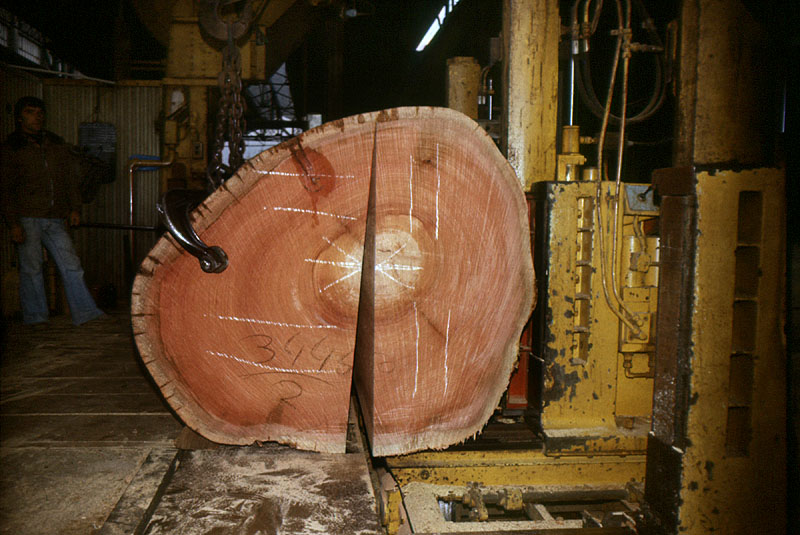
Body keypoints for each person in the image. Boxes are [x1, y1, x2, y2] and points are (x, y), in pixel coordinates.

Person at [0, 96, 104, 326]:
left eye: (39, 112)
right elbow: (5, 189)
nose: (36, 117)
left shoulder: (55, 144)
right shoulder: (12, 148)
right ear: (19, 118)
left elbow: (68, 179)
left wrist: (74, 208)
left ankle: (86, 313)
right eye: (30, 112)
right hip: (27, 217)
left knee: (71, 265)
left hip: (54, 217)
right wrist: (13, 224)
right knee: (32, 269)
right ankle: (36, 318)